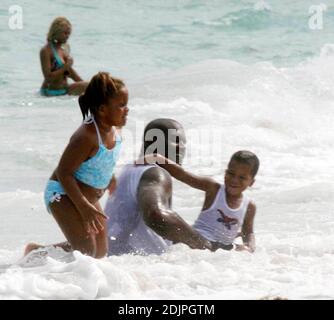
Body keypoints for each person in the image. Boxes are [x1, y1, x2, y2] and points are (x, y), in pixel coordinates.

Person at [25, 72, 129, 258]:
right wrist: (82, 206)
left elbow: (103, 159)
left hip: (87, 197)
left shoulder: (115, 128)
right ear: (103, 109)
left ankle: (37, 250)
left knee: (100, 253)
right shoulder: (86, 136)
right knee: (87, 252)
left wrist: (109, 177)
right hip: (63, 193)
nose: (126, 109)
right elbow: (64, 172)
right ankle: (35, 262)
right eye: (121, 105)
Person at [105, 118, 213, 255]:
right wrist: (203, 244)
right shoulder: (154, 173)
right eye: (178, 141)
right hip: (136, 267)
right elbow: (156, 215)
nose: (182, 148)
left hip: (112, 260)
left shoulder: (127, 171)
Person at [148, 150, 259, 253]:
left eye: (242, 178)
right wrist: (158, 159)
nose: (234, 180)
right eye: (231, 173)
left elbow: (248, 232)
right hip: (197, 242)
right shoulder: (214, 189)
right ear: (225, 172)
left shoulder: (249, 206)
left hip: (221, 250)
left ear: (251, 182)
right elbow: (184, 175)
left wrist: (249, 247)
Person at [40, 17, 88, 97]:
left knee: (93, 87)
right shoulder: (46, 51)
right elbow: (48, 77)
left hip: (65, 90)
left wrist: (88, 86)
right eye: (65, 33)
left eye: (69, 34)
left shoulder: (63, 49)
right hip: (51, 93)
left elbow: (70, 73)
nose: (67, 36)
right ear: (56, 32)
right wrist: (66, 66)